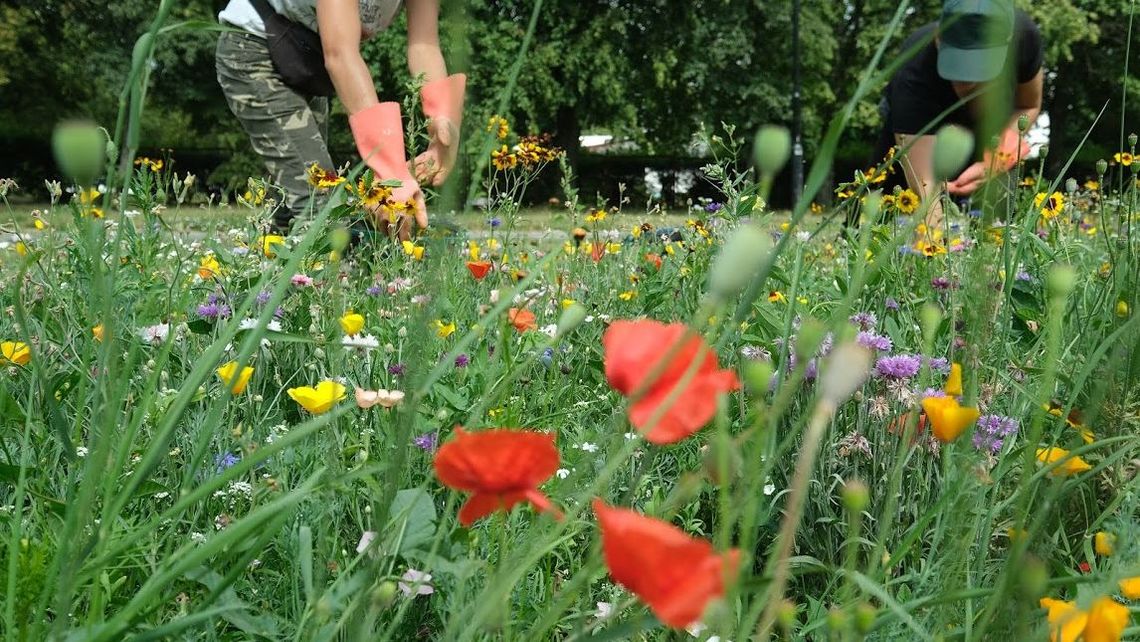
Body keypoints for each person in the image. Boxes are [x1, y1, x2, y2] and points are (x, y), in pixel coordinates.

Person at [215, 0, 465, 234]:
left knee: (296, 205)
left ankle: (267, 275)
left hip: (306, 62)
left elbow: (425, 46)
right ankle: (318, 279)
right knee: (317, 202)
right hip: (256, 49)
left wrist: (443, 119)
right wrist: (391, 170)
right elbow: (340, 56)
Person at [875, 0, 1043, 226]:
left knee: (998, 226)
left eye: (977, 70)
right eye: (956, 64)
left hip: (990, 129)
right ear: (938, 37)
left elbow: (1027, 106)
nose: (963, 83)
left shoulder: (1024, 38)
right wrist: (934, 247)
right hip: (917, 131)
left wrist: (995, 159)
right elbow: (926, 187)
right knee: (879, 220)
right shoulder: (913, 69)